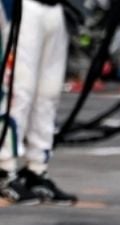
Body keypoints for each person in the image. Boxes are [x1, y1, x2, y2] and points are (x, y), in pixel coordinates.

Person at [0, 0, 77, 205]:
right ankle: (4, 169)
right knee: (18, 91)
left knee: (48, 93)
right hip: (22, 7)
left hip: (54, 7)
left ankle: (37, 170)